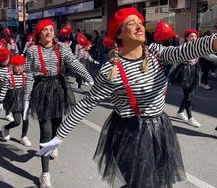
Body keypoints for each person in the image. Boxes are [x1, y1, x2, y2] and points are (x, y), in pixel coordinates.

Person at [37, 7, 217, 188]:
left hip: (160, 131)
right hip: (130, 135)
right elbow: (87, 103)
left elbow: (186, 50)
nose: (139, 27)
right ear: (120, 34)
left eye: (140, 23)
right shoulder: (111, 70)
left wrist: (214, 42)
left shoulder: (156, 53)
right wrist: (59, 136)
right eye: (132, 24)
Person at [24, 19, 94, 188]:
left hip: (58, 88)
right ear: (39, 34)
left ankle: (54, 142)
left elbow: (75, 64)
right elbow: (29, 74)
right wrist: (26, 97)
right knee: (45, 131)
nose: (49, 33)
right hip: (41, 90)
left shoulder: (62, 48)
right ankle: (45, 174)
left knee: (57, 125)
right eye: (45, 30)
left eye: (51, 29)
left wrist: (89, 78)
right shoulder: (33, 50)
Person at [0, 55, 31, 146]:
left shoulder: (25, 75)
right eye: (18, 66)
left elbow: (29, 87)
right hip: (14, 100)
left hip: (24, 99)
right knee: (17, 121)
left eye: (21, 66)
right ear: (13, 66)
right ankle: (6, 127)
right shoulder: (8, 77)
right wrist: (0, 101)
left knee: (26, 119)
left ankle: (24, 137)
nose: (20, 68)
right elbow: (4, 89)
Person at [175, 29, 203, 127]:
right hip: (185, 71)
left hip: (194, 70)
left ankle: (180, 112)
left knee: (190, 94)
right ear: (186, 38)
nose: (194, 38)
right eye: (191, 36)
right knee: (188, 95)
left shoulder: (198, 47)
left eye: (195, 36)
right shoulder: (183, 47)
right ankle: (190, 118)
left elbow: (207, 55)